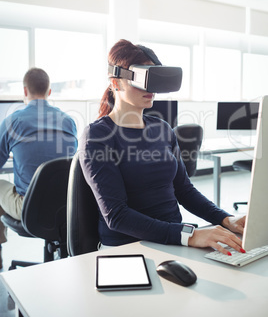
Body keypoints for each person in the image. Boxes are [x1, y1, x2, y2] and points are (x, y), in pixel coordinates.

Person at [79, 39, 246, 255]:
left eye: (154, 78)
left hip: (175, 241)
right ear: (116, 83)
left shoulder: (162, 129)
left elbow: (184, 190)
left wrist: (226, 219)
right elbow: (117, 216)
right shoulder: (97, 136)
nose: (151, 88)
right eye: (142, 78)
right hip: (128, 248)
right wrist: (190, 235)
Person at [0, 68, 78, 269]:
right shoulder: (69, 122)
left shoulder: (13, 121)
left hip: (30, 209)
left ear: (25, 91)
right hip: (67, 206)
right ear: (49, 92)